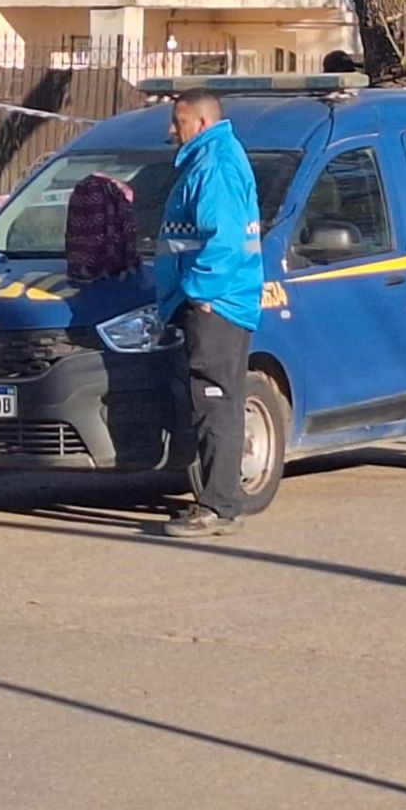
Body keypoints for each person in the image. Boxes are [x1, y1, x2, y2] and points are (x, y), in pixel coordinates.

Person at [156, 90, 264, 539]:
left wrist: (201, 290)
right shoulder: (213, 156)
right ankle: (221, 500)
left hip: (215, 304)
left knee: (215, 401)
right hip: (220, 301)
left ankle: (220, 505)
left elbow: (223, 239)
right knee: (220, 399)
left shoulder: (214, 165)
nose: (171, 131)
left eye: (177, 122)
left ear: (199, 123)